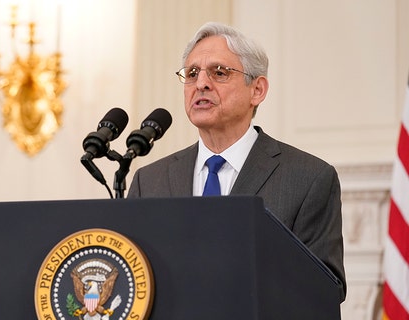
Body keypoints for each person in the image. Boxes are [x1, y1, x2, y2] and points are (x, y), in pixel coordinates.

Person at [127, 22, 346, 301]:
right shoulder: (150, 180)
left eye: (219, 72)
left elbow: (324, 290)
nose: (201, 83)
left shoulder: (309, 178)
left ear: (257, 90)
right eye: (192, 73)